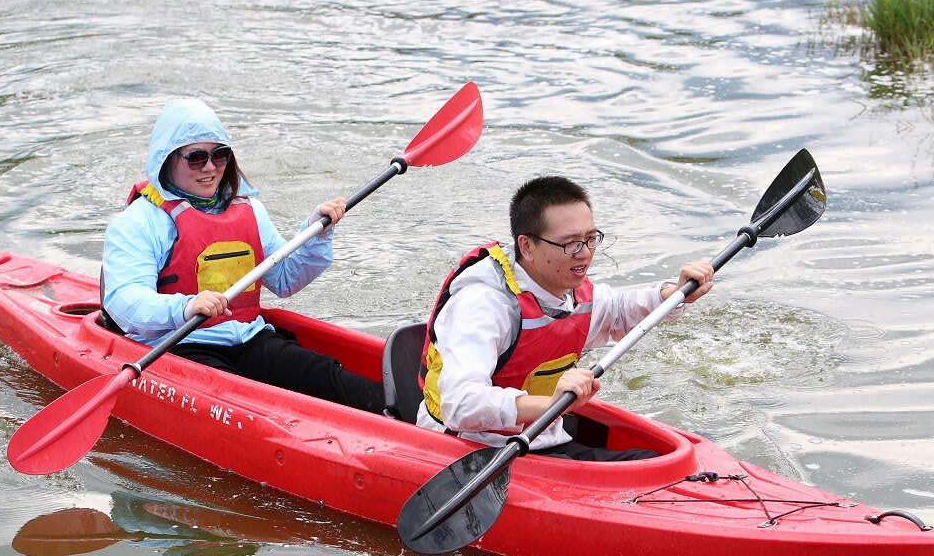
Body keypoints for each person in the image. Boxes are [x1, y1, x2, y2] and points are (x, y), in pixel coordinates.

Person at [100, 98, 385, 414]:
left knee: (327, 375)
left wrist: (316, 233)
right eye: (196, 158)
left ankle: (410, 419)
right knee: (242, 401)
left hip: (248, 337)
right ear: (166, 161)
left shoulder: (249, 210)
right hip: (176, 347)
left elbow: (286, 279)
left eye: (219, 155)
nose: (210, 167)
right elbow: (124, 300)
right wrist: (184, 307)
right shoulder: (139, 221)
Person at [416, 175, 714, 460]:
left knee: (655, 462)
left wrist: (675, 294)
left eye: (590, 239)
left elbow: (619, 312)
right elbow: (461, 404)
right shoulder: (483, 304)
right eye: (571, 244)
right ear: (526, 246)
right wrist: (549, 404)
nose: (584, 254)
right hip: (470, 449)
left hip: (538, 440)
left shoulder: (568, 290)